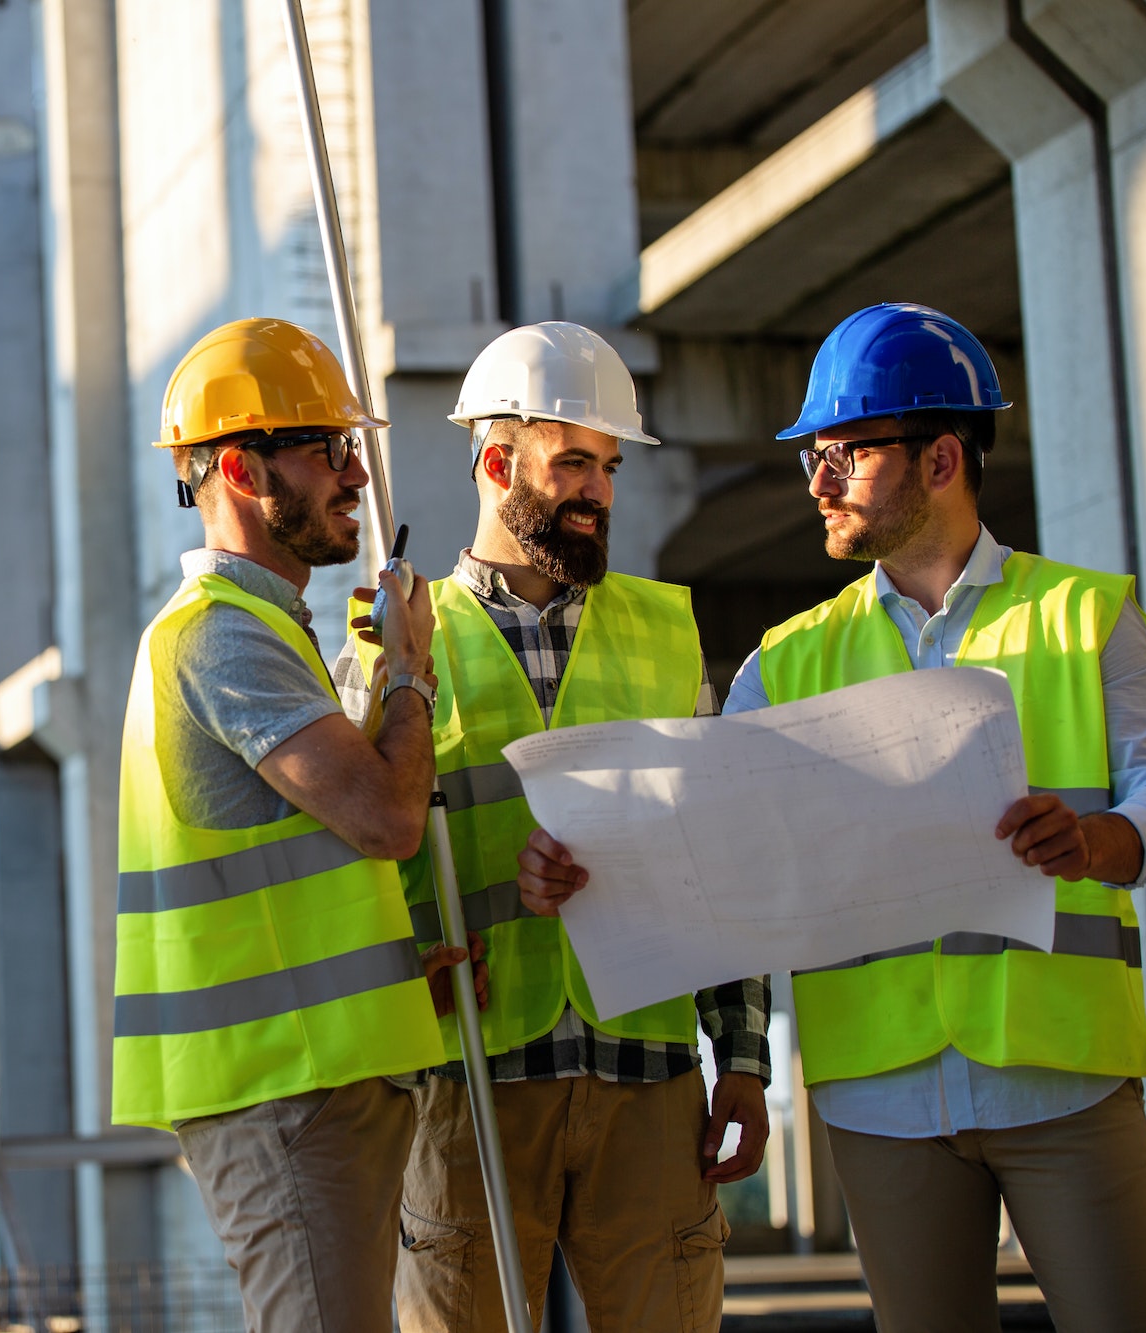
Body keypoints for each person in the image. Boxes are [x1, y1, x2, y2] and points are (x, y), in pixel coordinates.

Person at [719, 302, 1146, 1332]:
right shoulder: (780, 665)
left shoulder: (1085, 617)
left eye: (842, 450)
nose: (817, 480)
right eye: (812, 454)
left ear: (939, 458)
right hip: (877, 1096)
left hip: (1060, 1081)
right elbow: (723, 860)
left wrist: (1100, 840)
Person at [335, 322, 771, 1333]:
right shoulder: (389, 633)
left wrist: (740, 1057)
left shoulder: (666, 630)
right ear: (496, 464)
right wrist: (402, 978)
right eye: (572, 461)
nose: (597, 492)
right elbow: (346, 862)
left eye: (608, 467)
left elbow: (721, 855)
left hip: (649, 1078)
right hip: (470, 1082)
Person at [110, 316, 484, 1333]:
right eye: (326, 448)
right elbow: (384, 817)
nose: (354, 474)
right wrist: (405, 670)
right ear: (238, 467)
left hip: (311, 1082)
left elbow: (297, 876)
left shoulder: (265, 630)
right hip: (284, 1096)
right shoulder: (222, 636)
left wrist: (398, 980)